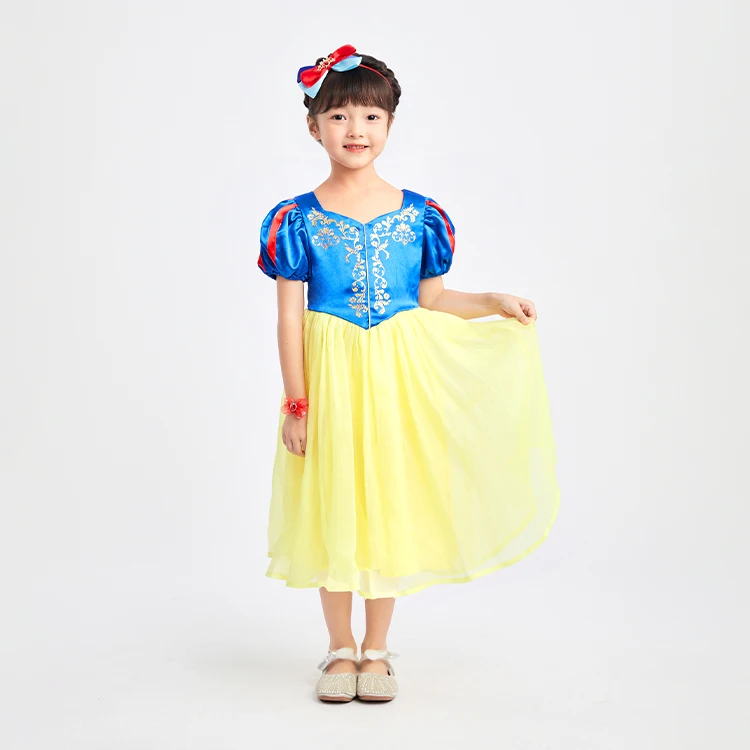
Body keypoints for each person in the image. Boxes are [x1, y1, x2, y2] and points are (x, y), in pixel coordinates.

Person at [256, 44, 560, 703]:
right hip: (331, 377)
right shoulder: (296, 218)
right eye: (339, 116)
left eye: (371, 116)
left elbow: (433, 300)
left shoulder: (420, 215)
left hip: (395, 376)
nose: (356, 130)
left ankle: (377, 649)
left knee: (385, 502)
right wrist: (297, 403)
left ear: (390, 125)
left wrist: (491, 301)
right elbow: (288, 319)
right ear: (313, 127)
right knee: (333, 503)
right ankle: (340, 648)